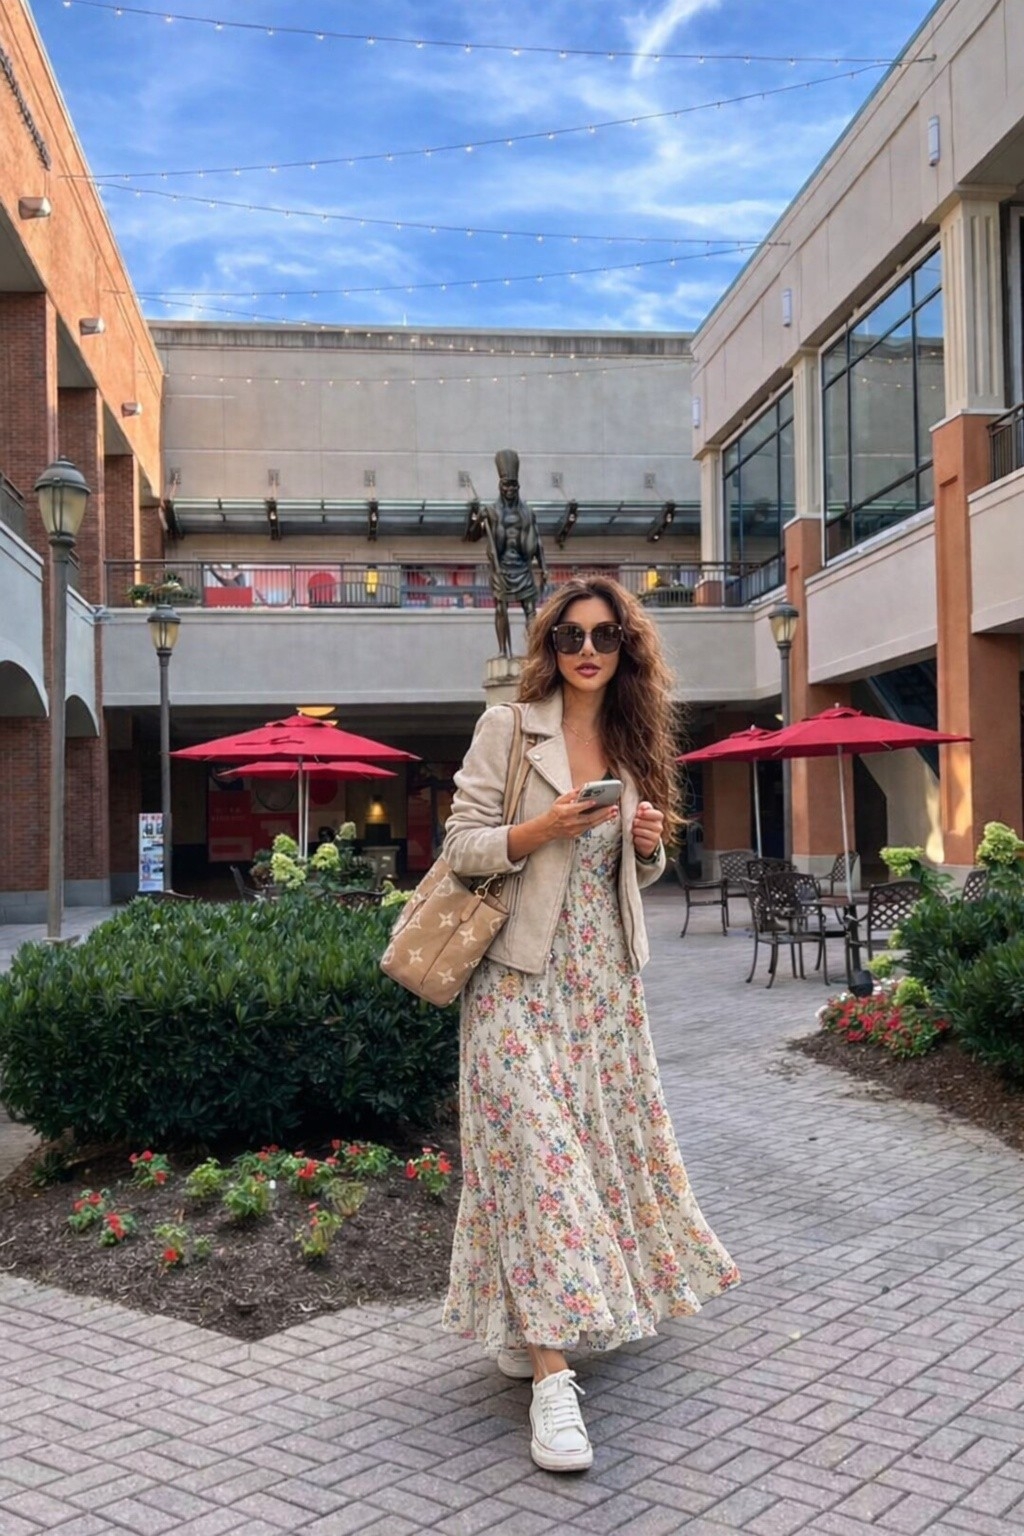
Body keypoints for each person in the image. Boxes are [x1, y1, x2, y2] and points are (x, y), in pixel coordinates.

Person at [440, 574, 739, 1472]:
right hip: (514, 979)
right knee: (538, 1160)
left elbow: (629, 879)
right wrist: (543, 828)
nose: (587, 650)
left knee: (590, 1158)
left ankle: (529, 1318)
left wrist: (647, 848)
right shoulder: (508, 728)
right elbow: (461, 846)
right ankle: (552, 1384)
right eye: (570, 635)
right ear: (550, 646)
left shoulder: (633, 740)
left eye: (605, 636)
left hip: (602, 988)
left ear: (626, 649)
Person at [477, 448, 548, 659]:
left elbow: (538, 543)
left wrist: (543, 567)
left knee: (530, 610)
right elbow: (473, 534)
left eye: (513, 485)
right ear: (500, 486)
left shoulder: (527, 512)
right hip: (501, 567)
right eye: (506, 485)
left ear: (518, 486)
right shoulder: (491, 511)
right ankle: (502, 651)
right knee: (501, 608)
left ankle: (535, 651)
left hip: (522, 567)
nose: (510, 489)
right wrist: (477, 519)